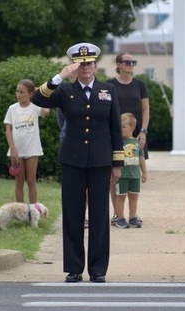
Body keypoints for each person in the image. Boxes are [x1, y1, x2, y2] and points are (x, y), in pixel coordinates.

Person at [31, 43, 124, 283]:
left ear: (96, 66)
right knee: (72, 214)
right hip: (72, 160)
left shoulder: (108, 90)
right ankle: (74, 268)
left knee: (99, 215)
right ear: (75, 65)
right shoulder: (64, 91)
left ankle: (98, 268)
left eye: (89, 63)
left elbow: (115, 127)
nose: (85, 67)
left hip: (101, 161)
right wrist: (59, 76)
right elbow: (37, 98)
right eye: (81, 64)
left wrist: (117, 163)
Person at [108, 52, 150, 228]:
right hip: (115, 135)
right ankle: (118, 215)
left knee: (133, 170)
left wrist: (143, 131)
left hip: (134, 135)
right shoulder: (110, 84)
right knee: (114, 176)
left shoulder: (140, 85)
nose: (131, 64)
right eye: (127, 61)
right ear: (118, 64)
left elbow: (146, 110)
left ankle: (133, 214)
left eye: (133, 61)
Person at [4, 79, 49, 205]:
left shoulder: (35, 107)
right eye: (17, 91)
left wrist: (40, 92)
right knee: (19, 181)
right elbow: (8, 129)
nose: (19, 94)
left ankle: (33, 211)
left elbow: (46, 111)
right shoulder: (12, 109)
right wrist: (12, 148)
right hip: (17, 150)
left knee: (31, 180)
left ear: (30, 94)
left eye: (22, 92)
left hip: (32, 149)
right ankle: (20, 211)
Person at [116, 112, 148, 227]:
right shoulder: (117, 142)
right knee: (120, 197)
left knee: (134, 196)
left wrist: (144, 172)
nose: (121, 129)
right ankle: (120, 218)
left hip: (135, 175)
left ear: (132, 127)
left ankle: (133, 217)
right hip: (121, 176)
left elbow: (141, 158)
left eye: (123, 127)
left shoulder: (137, 143)